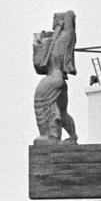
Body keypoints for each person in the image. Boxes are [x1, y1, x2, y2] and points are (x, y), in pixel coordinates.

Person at [32, 10, 80, 143]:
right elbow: (39, 67)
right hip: (58, 78)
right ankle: (72, 136)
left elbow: (70, 24)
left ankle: (50, 135)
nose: (53, 22)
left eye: (55, 18)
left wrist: (68, 17)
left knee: (41, 101)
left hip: (54, 77)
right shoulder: (55, 39)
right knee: (62, 112)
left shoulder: (65, 36)